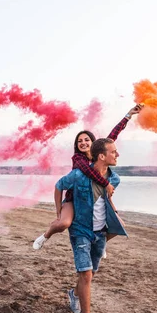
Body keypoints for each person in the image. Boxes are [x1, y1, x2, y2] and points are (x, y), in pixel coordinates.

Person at [32, 104, 142, 250]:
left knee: (119, 225)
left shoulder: (99, 154)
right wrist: (58, 209)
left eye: (86, 140)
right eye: (80, 141)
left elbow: (113, 135)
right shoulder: (78, 158)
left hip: (94, 198)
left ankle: (100, 245)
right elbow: (87, 171)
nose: (83, 143)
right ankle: (45, 236)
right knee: (63, 224)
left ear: (93, 142)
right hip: (75, 198)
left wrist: (128, 116)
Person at [54, 138, 128, 313]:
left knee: (90, 274)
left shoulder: (115, 179)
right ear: (102, 156)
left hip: (100, 232)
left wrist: (116, 217)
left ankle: (75, 294)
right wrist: (60, 213)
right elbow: (59, 185)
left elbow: (107, 202)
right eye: (113, 151)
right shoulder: (78, 175)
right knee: (86, 275)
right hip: (80, 230)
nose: (117, 154)